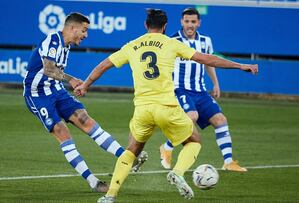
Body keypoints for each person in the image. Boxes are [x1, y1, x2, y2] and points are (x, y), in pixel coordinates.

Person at [74, 9, 258, 203]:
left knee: (131, 150)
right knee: (194, 140)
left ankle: (110, 195)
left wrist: (85, 85)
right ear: (165, 27)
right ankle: (178, 172)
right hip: (167, 108)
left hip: (143, 110)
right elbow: (207, 59)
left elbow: (103, 65)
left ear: (146, 25)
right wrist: (239, 65)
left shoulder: (132, 45)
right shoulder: (172, 43)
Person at [22, 12, 147, 193]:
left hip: (56, 90)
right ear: (72, 27)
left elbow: (54, 73)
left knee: (84, 119)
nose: (86, 35)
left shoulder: (66, 46)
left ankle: (127, 158)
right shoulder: (53, 40)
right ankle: (93, 182)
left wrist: (71, 80)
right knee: (62, 131)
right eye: (84, 30)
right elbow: (49, 69)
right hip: (38, 95)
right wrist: (70, 79)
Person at [159, 7, 247, 172]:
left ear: (198, 23)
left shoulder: (206, 41)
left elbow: (209, 62)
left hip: (200, 91)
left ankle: (228, 162)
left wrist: (216, 83)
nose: (190, 25)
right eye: (187, 21)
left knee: (221, 120)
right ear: (181, 22)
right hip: (180, 90)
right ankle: (167, 147)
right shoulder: (173, 40)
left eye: (193, 21)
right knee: (191, 116)